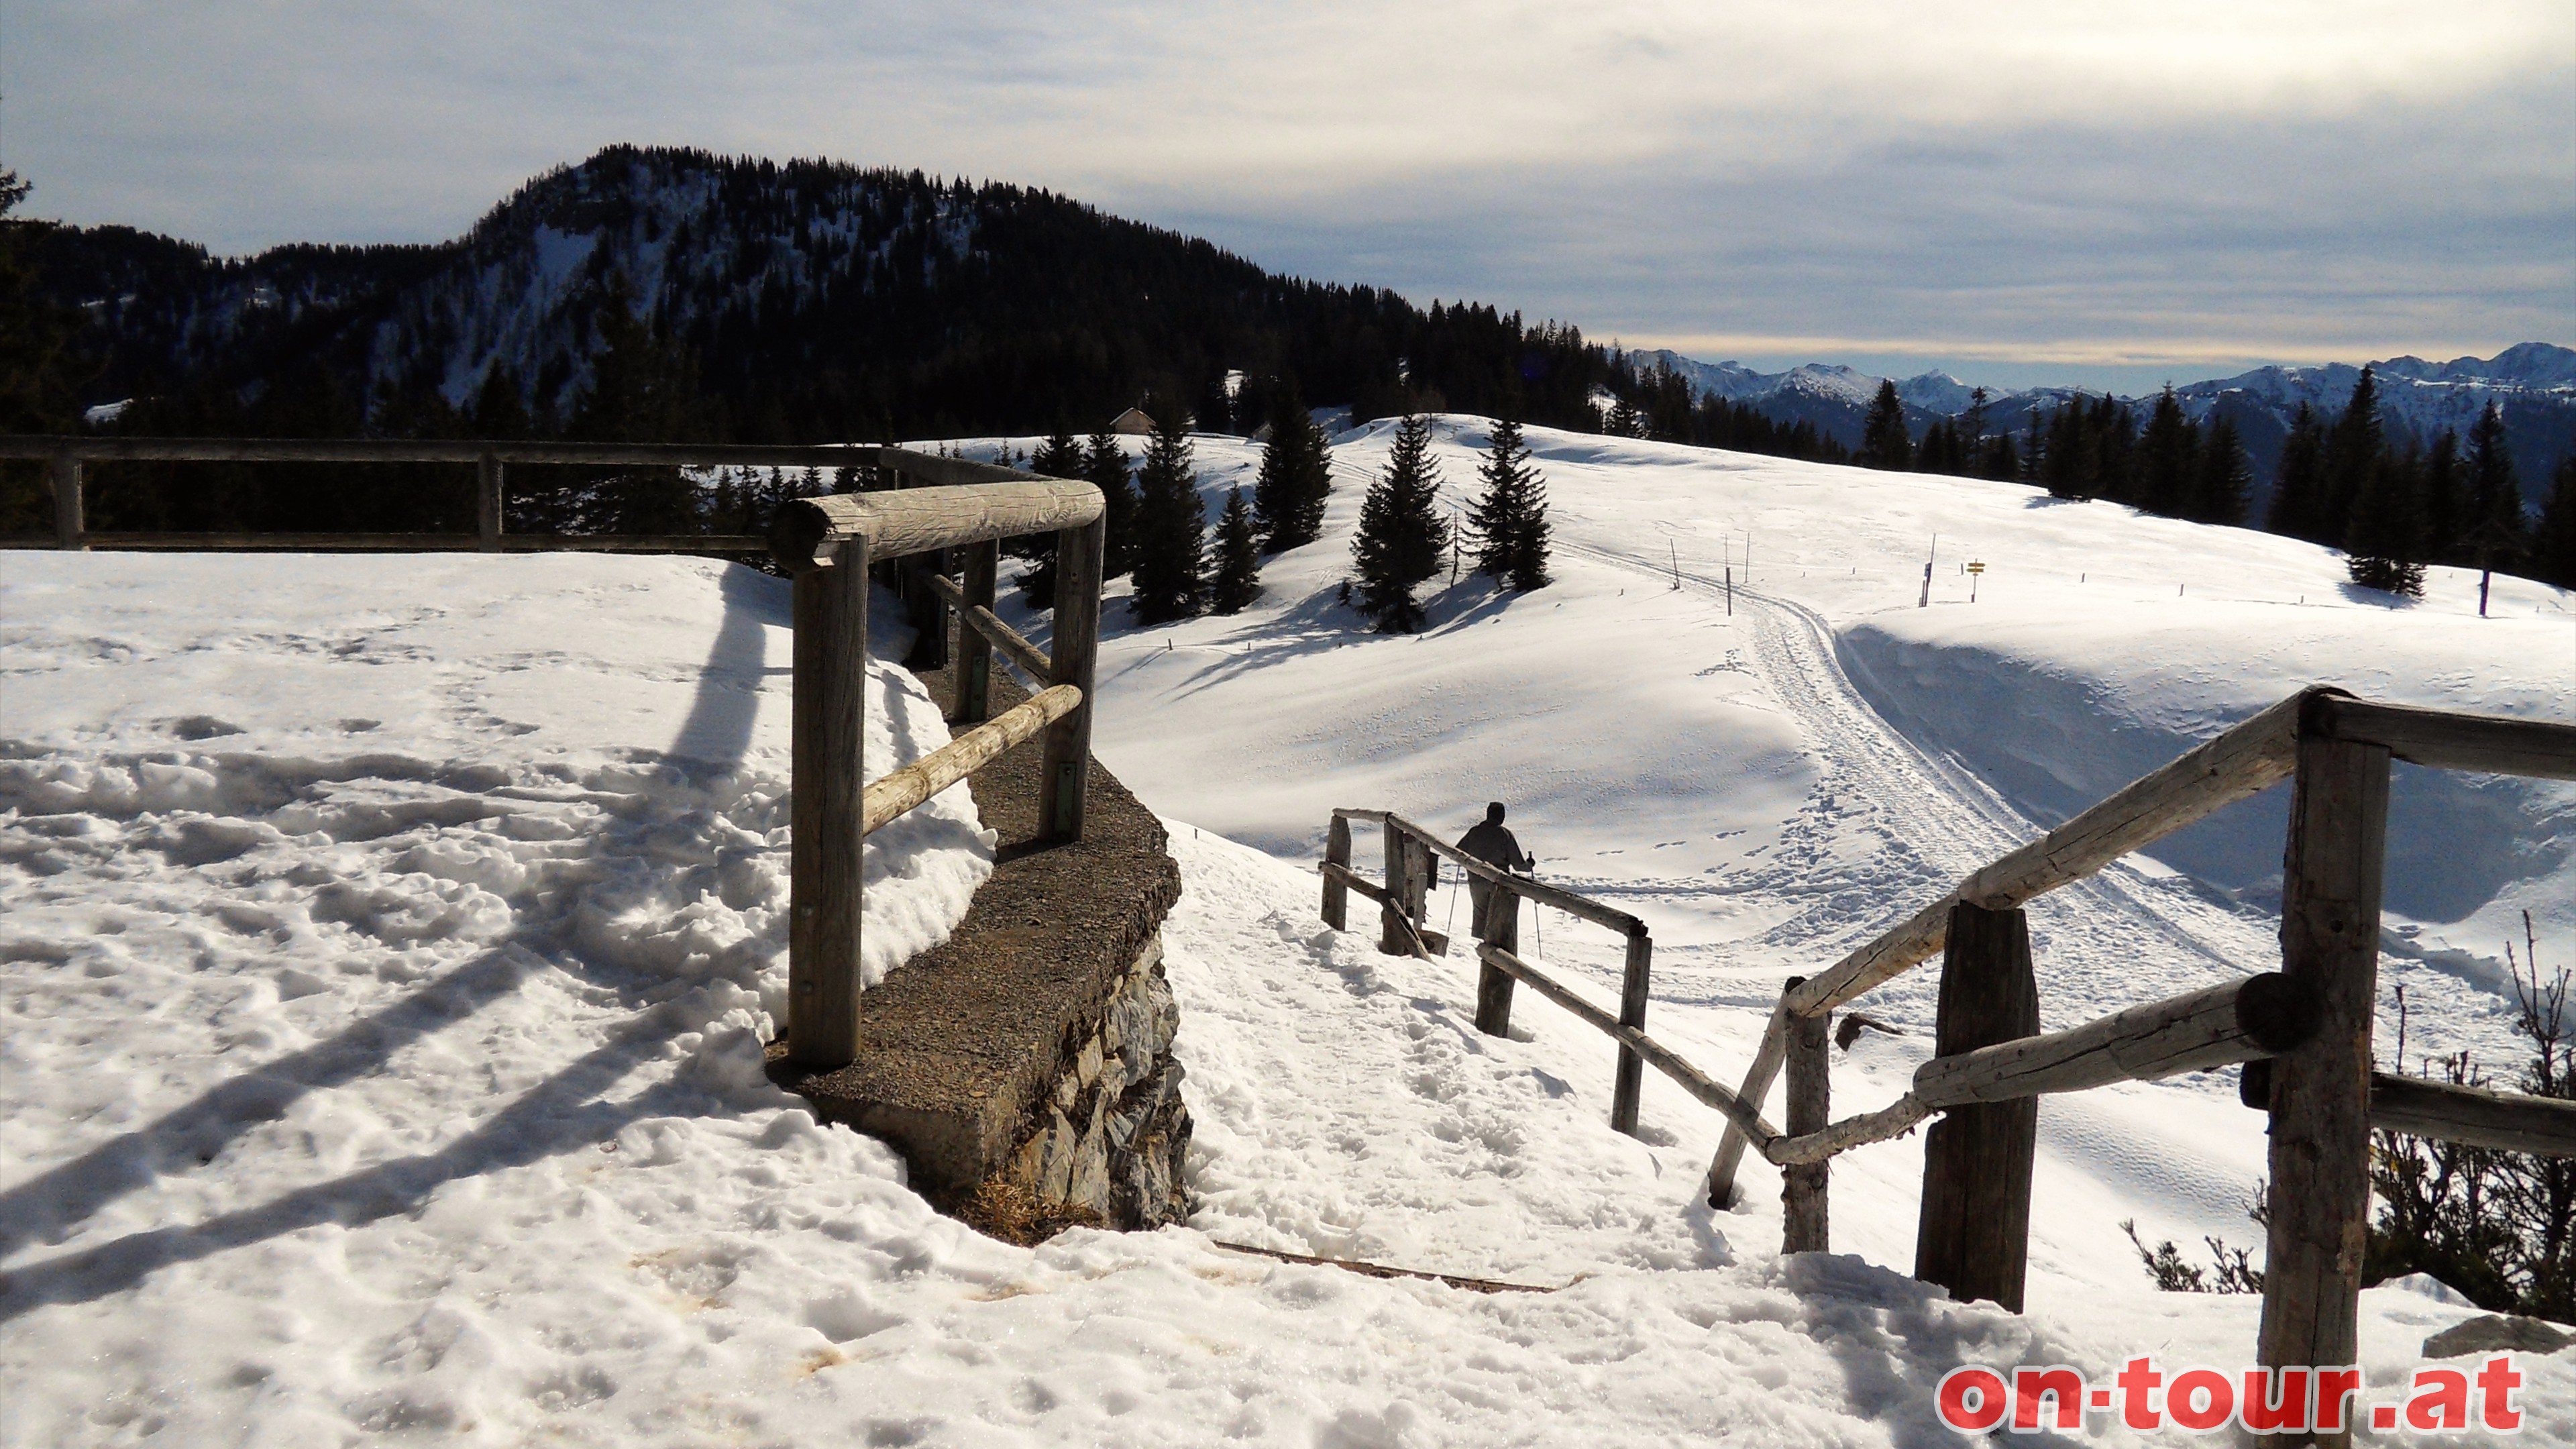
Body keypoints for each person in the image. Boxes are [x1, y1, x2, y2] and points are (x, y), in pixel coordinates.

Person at [1454, 801, 1534, 938]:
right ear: (1502, 817)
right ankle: (1495, 952)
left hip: (1476, 881)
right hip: (1498, 882)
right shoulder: (1505, 834)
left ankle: (1477, 947)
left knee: (1480, 916)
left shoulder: (1474, 832)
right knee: (1497, 918)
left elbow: (1458, 852)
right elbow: (1518, 865)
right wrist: (1529, 865)